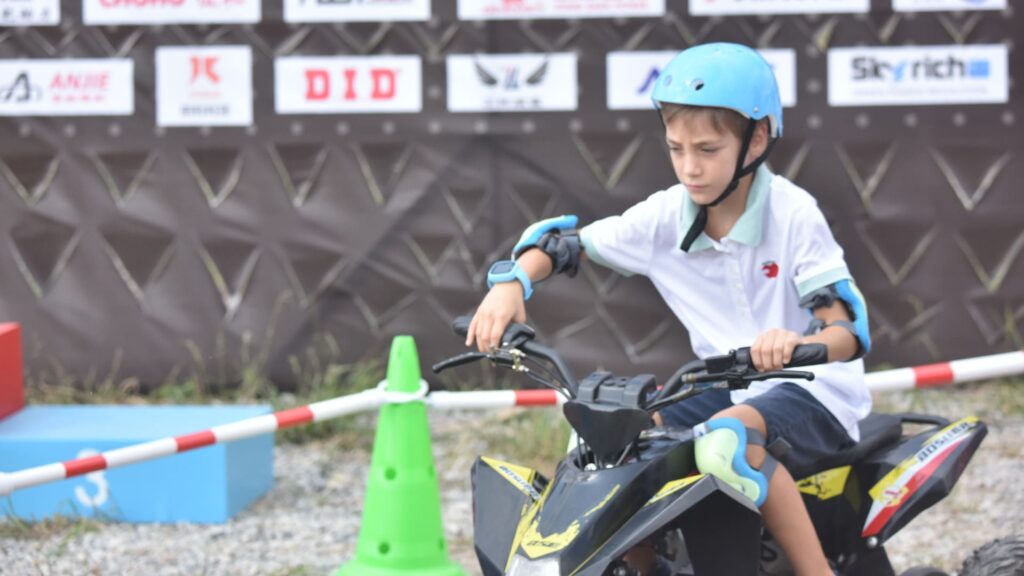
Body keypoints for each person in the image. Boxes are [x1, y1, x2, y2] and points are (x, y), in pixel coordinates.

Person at [465, 42, 872, 576]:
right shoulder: (664, 217)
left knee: (728, 440)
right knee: (606, 440)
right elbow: (564, 244)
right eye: (676, 149)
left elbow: (848, 331)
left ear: (758, 139)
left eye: (707, 149)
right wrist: (512, 283)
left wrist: (798, 343)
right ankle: (644, 569)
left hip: (814, 388)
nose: (690, 168)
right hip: (721, 383)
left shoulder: (793, 214)